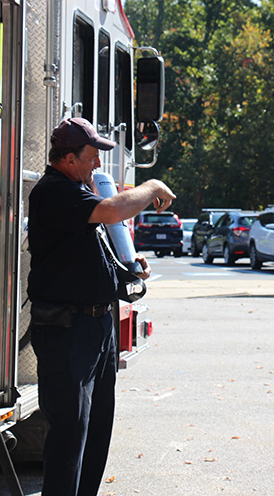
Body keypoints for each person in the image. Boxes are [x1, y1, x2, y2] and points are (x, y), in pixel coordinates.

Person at [27, 117, 176, 496]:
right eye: (92, 156)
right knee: (69, 435)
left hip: (94, 329)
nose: (97, 164)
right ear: (68, 158)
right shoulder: (55, 191)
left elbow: (85, 247)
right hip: (67, 332)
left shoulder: (75, 190)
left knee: (95, 430)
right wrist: (153, 185)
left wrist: (125, 267)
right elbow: (112, 212)